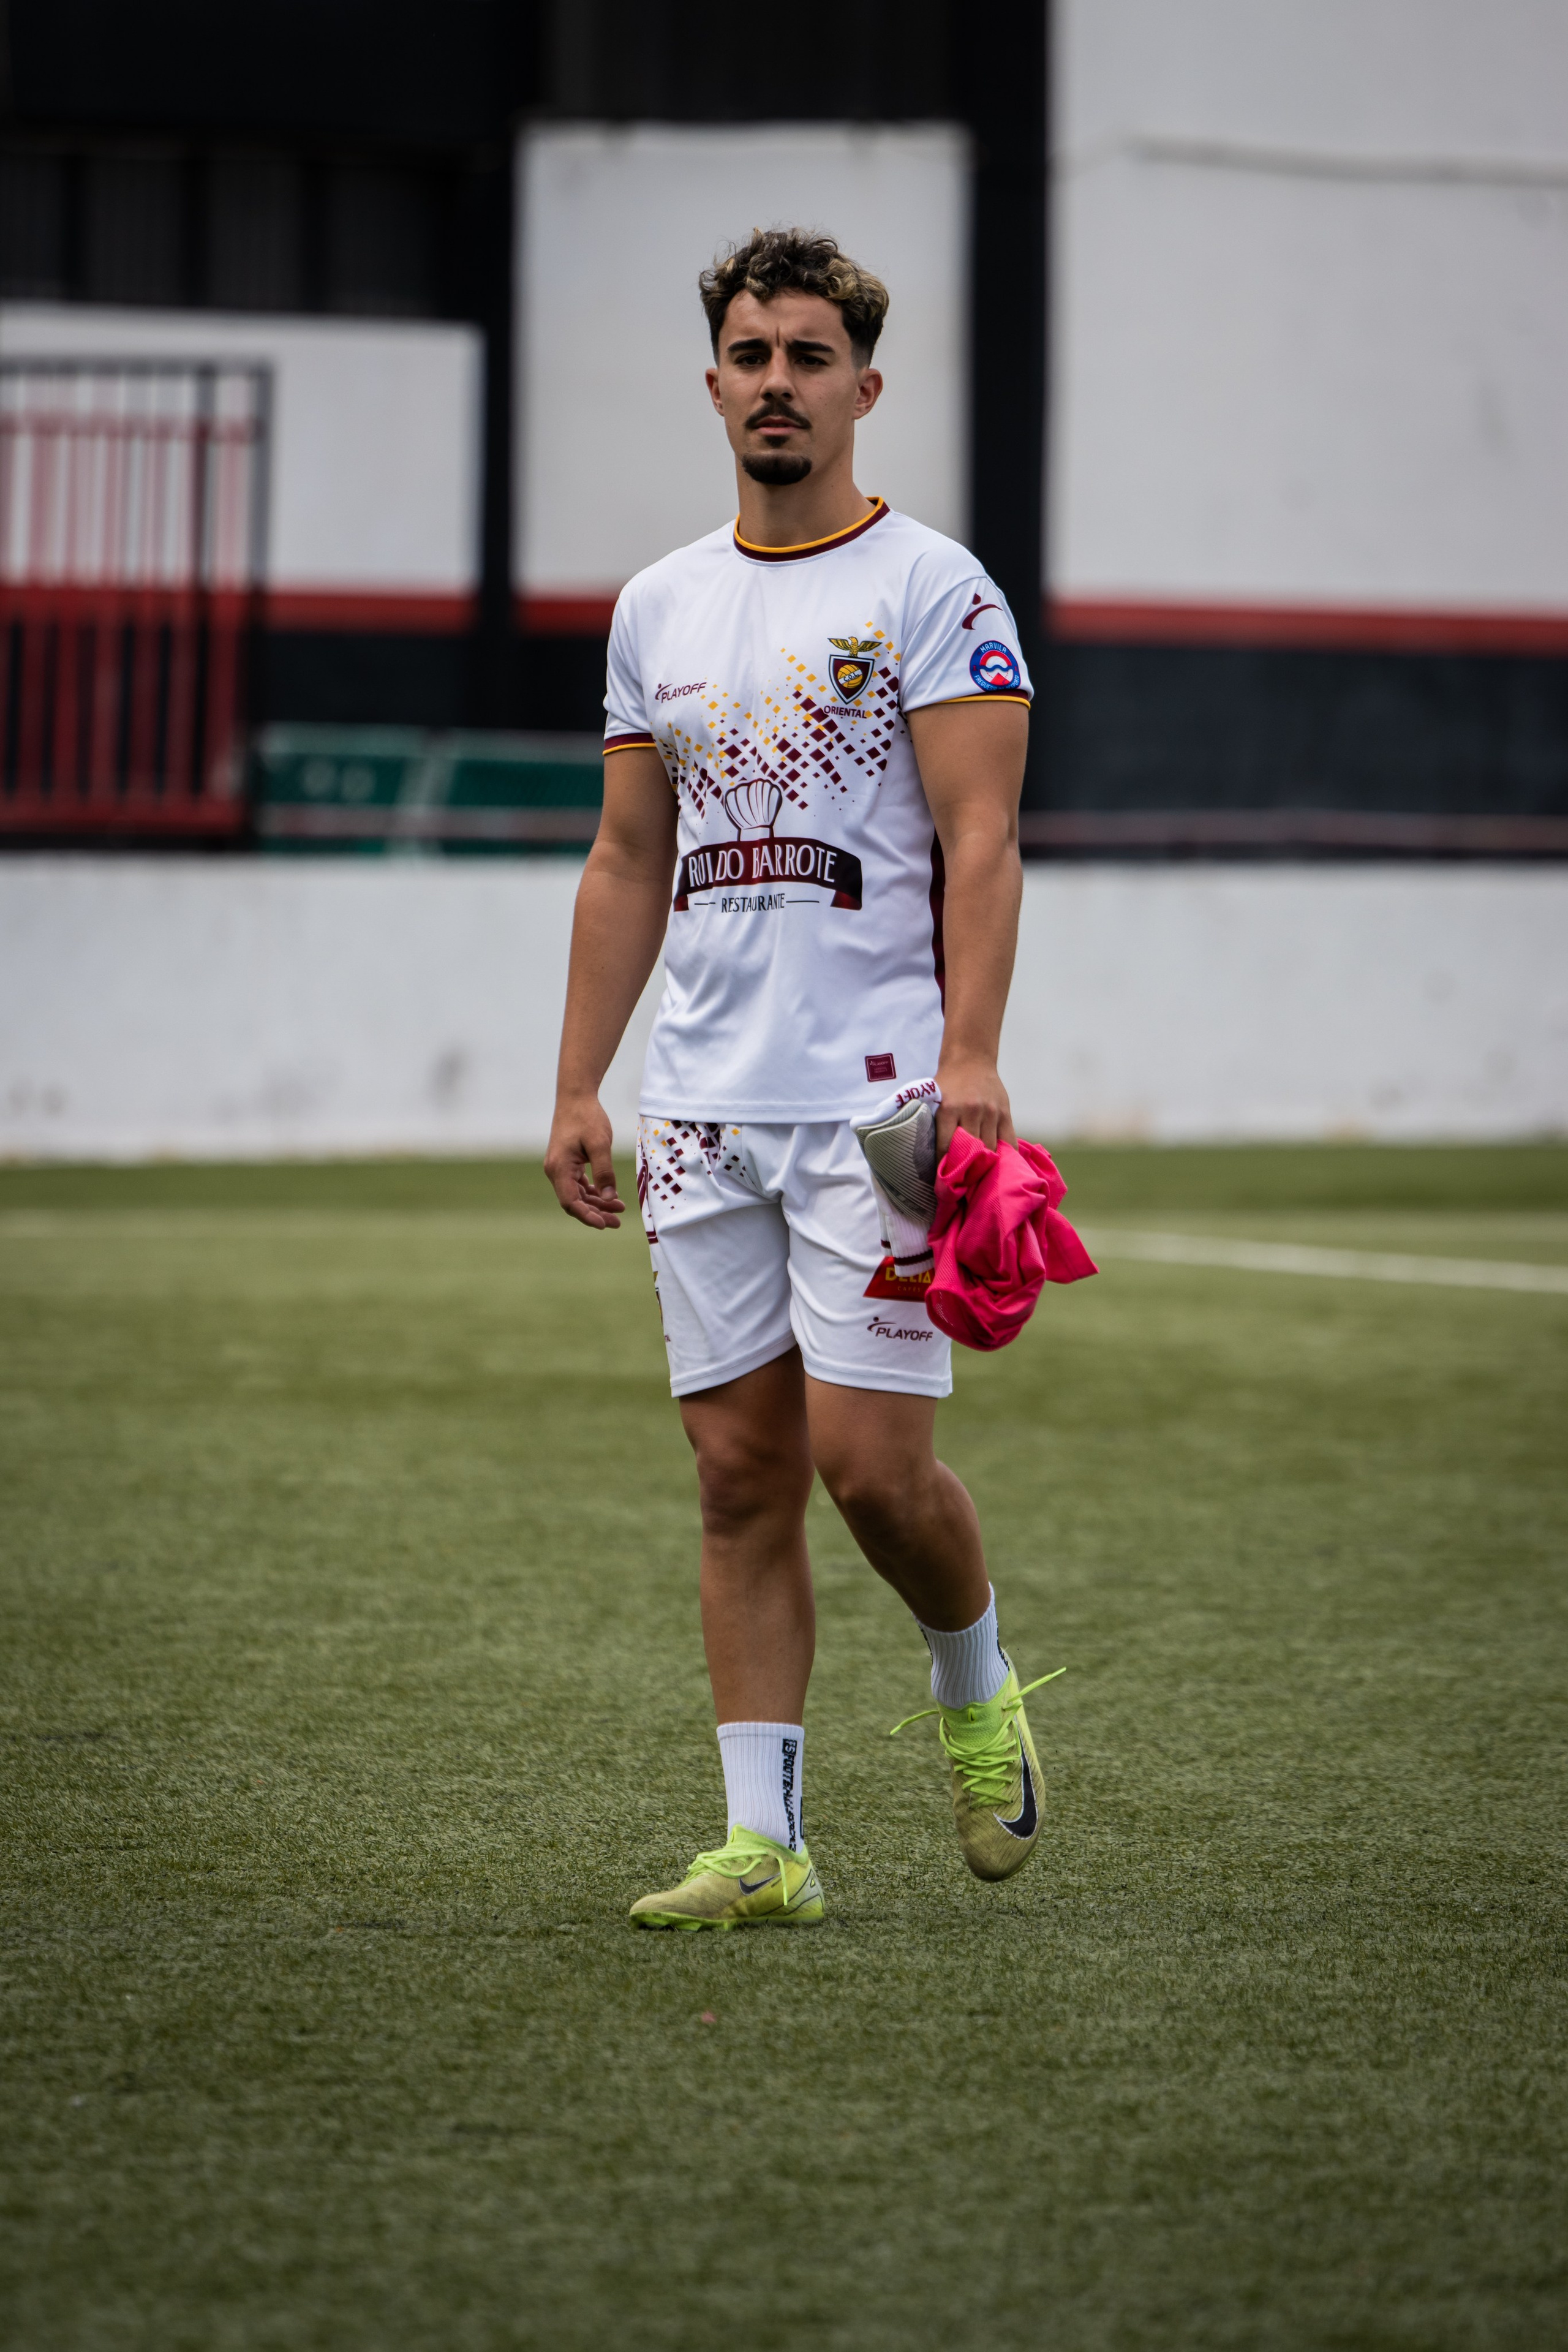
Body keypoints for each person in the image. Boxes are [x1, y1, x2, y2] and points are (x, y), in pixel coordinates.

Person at [545, 226, 1056, 1930]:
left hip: (880, 1109)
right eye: (751, 356)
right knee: (736, 1475)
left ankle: (976, 1691)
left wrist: (973, 1056)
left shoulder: (931, 588)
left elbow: (984, 837)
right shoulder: (658, 606)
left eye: (809, 357)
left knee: (868, 1468)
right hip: (700, 1108)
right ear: (715, 384)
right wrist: (578, 1085)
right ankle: (767, 1846)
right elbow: (627, 863)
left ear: (863, 386)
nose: (778, 382)